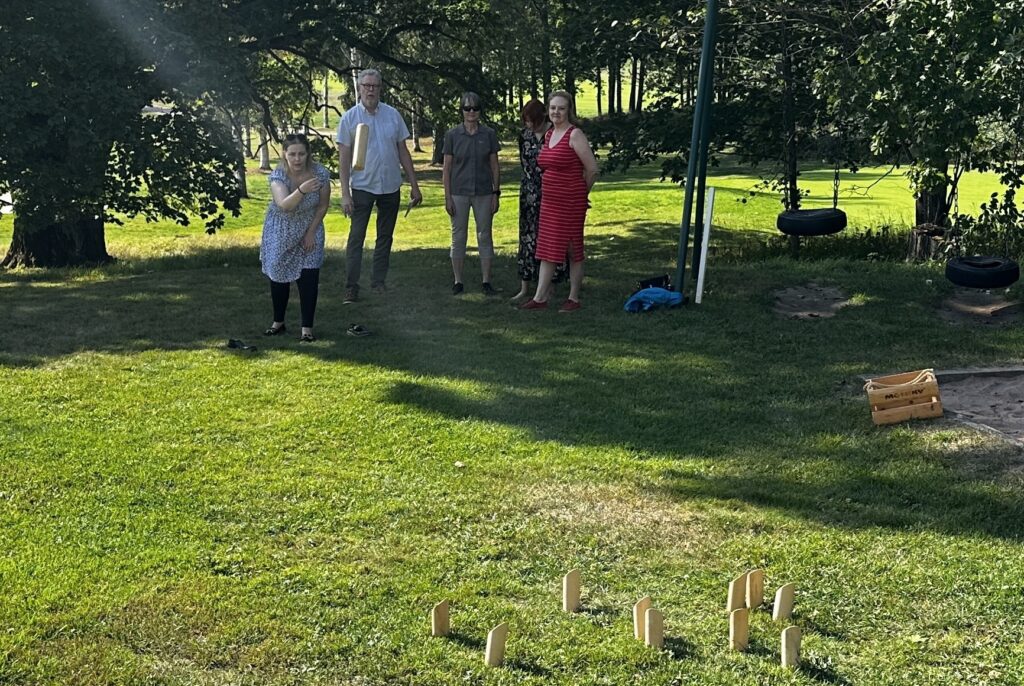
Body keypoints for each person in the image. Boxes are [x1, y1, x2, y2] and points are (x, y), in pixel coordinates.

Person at [336, 68, 422, 303]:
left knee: (385, 237)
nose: (371, 90)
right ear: (360, 88)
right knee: (357, 237)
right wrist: (345, 194)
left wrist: (414, 185)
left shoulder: (393, 115)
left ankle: (378, 281)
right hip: (362, 187)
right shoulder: (350, 118)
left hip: (390, 186)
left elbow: (403, 151)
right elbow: (343, 159)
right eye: (366, 85)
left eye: (375, 86)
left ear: (380, 88)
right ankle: (351, 286)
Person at [519, 91, 599, 312]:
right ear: (548, 110)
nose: (556, 112)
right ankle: (540, 297)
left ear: (568, 110)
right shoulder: (549, 134)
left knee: (573, 248)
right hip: (550, 202)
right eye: (553, 108)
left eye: (561, 108)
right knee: (547, 247)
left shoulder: (575, 135)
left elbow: (592, 169)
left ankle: (573, 297)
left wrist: (582, 195)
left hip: (570, 202)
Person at [260, 133, 331, 342]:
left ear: (308, 153)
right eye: (292, 154)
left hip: (310, 225)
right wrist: (302, 189)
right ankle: (278, 322)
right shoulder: (278, 176)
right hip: (281, 228)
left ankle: (307, 329)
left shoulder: (320, 173)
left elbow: (323, 205)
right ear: (285, 154)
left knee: (309, 275)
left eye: (301, 154)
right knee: (279, 275)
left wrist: (310, 233)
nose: (297, 159)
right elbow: (284, 205)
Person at [442, 92, 501, 295]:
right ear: (462, 110)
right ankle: (458, 281)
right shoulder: (452, 135)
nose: (471, 112)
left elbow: (494, 166)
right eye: (467, 108)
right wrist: (447, 197)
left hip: (484, 191)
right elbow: (447, 168)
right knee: (458, 236)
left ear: (480, 111)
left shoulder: (489, 134)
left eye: (475, 108)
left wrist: (496, 193)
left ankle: (486, 281)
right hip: (459, 192)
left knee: (484, 235)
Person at [511, 99, 568, 302]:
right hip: (528, 193)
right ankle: (525, 286)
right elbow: (523, 163)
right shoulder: (524, 136)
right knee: (527, 237)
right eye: (526, 121)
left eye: (532, 121)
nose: (529, 125)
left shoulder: (553, 135)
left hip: (550, 192)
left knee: (549, 238)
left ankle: (550, 286)